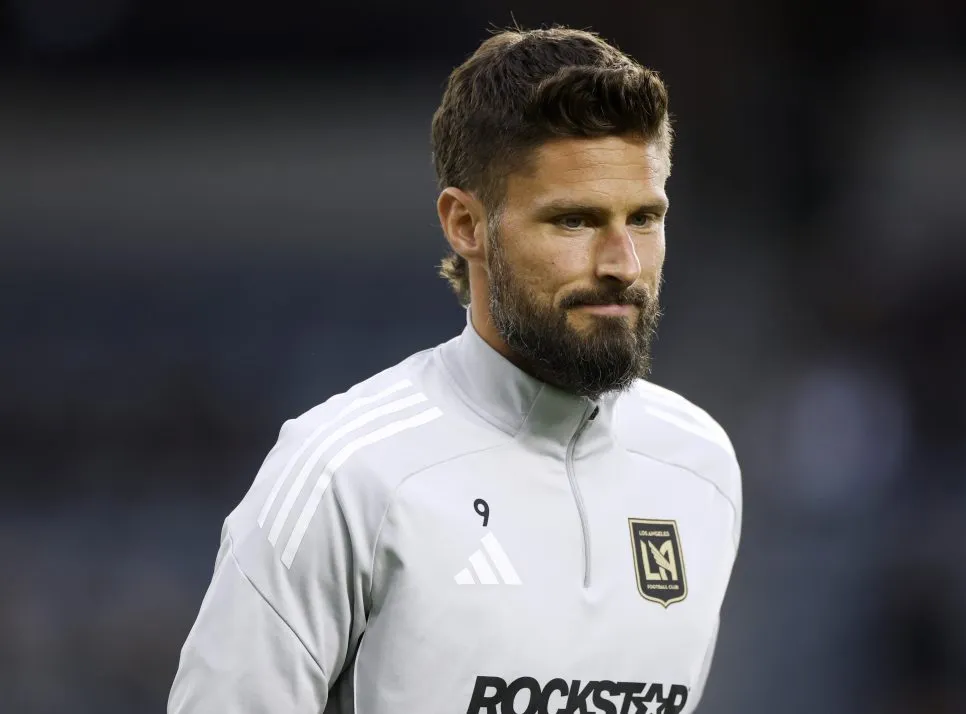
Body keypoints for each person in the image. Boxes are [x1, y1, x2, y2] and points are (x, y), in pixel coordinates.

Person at [168, 25, 742, 714]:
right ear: (466, 224)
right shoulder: (344, 474)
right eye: (574, 222)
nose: (622, 262)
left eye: (644, 218)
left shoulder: (701, 469)